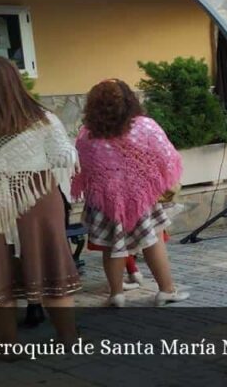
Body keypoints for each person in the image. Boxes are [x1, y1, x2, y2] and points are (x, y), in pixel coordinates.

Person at [0, 57, 80, 343]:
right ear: (15, 81)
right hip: (36, 199)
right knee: (50, 265)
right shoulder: (43, 118)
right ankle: (67, 337)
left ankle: (7, 345)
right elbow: (64, 157)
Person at [73, 79, 189, 307]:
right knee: (152, 240)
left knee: (113, 245)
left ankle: (116, 294)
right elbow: (167, 156)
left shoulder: (87, 135)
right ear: (128, 100)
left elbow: (83, 168)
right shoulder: (145, 126)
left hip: (105, 200)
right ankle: (166, 290)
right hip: (141, 199)